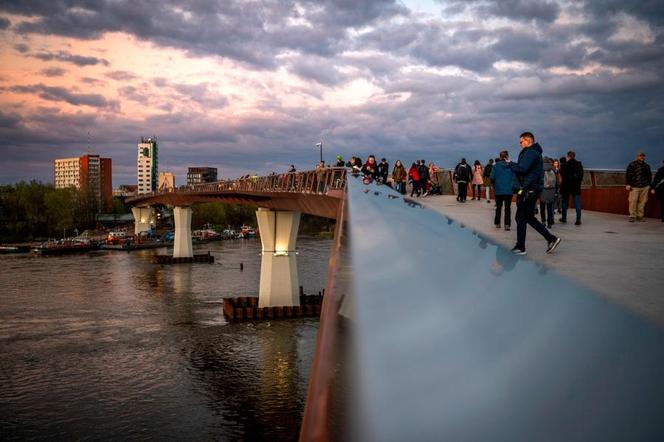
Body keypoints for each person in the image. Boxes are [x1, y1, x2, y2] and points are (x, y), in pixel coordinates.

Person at [509, 132, 561, 255]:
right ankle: (550, 239)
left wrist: (510, 164)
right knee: (526, 217)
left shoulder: (531, 152)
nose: (520, 144)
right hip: (530, 189)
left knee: (522, 217)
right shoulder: (533, 152)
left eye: (521, 141)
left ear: (528, 141)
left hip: (528, 190)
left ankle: (521, 247)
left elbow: (522, 168)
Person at [490, 150, 515, 231]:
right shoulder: (511, 166)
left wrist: (495, 185)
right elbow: (515, 177)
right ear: (507, 156)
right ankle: (507, 224)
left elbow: (492, 178)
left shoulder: (495, 166)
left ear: (500, 157)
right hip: (509, 190)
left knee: (499, 207)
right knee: (507, 208)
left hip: (498, 190)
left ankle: (497, 223)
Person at [625, 151, 652, 222]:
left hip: (645, 186)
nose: (642, 157)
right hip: (634, 186)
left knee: (642, 202)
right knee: (633, 201)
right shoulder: (632, 164)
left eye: (643, 156)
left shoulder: (647, 166)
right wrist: (627, 184)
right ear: (637, 156)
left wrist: (649, 185)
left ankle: (640, 216)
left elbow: (649, 176)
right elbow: (628, 175)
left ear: (644, 157)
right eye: (640, 156)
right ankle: (632, 216)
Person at [559, 150, 584, 225]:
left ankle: (564, 218)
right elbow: (581, 176)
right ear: (574, 156)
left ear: (568, 156)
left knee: (564, 203)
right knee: (577, 203)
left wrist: (563, 164)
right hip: (576, 187)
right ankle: (578, 219)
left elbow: (562, 174)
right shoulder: (579, 164)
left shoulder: (565, 165)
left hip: (566, 187)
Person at [539, 156, 556, 228]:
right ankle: (549, 223)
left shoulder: (540, 169)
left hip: (543, 189)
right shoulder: (552, 169)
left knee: (542, 207)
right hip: (551, 190)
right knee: (549, 207)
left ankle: (543, 221)